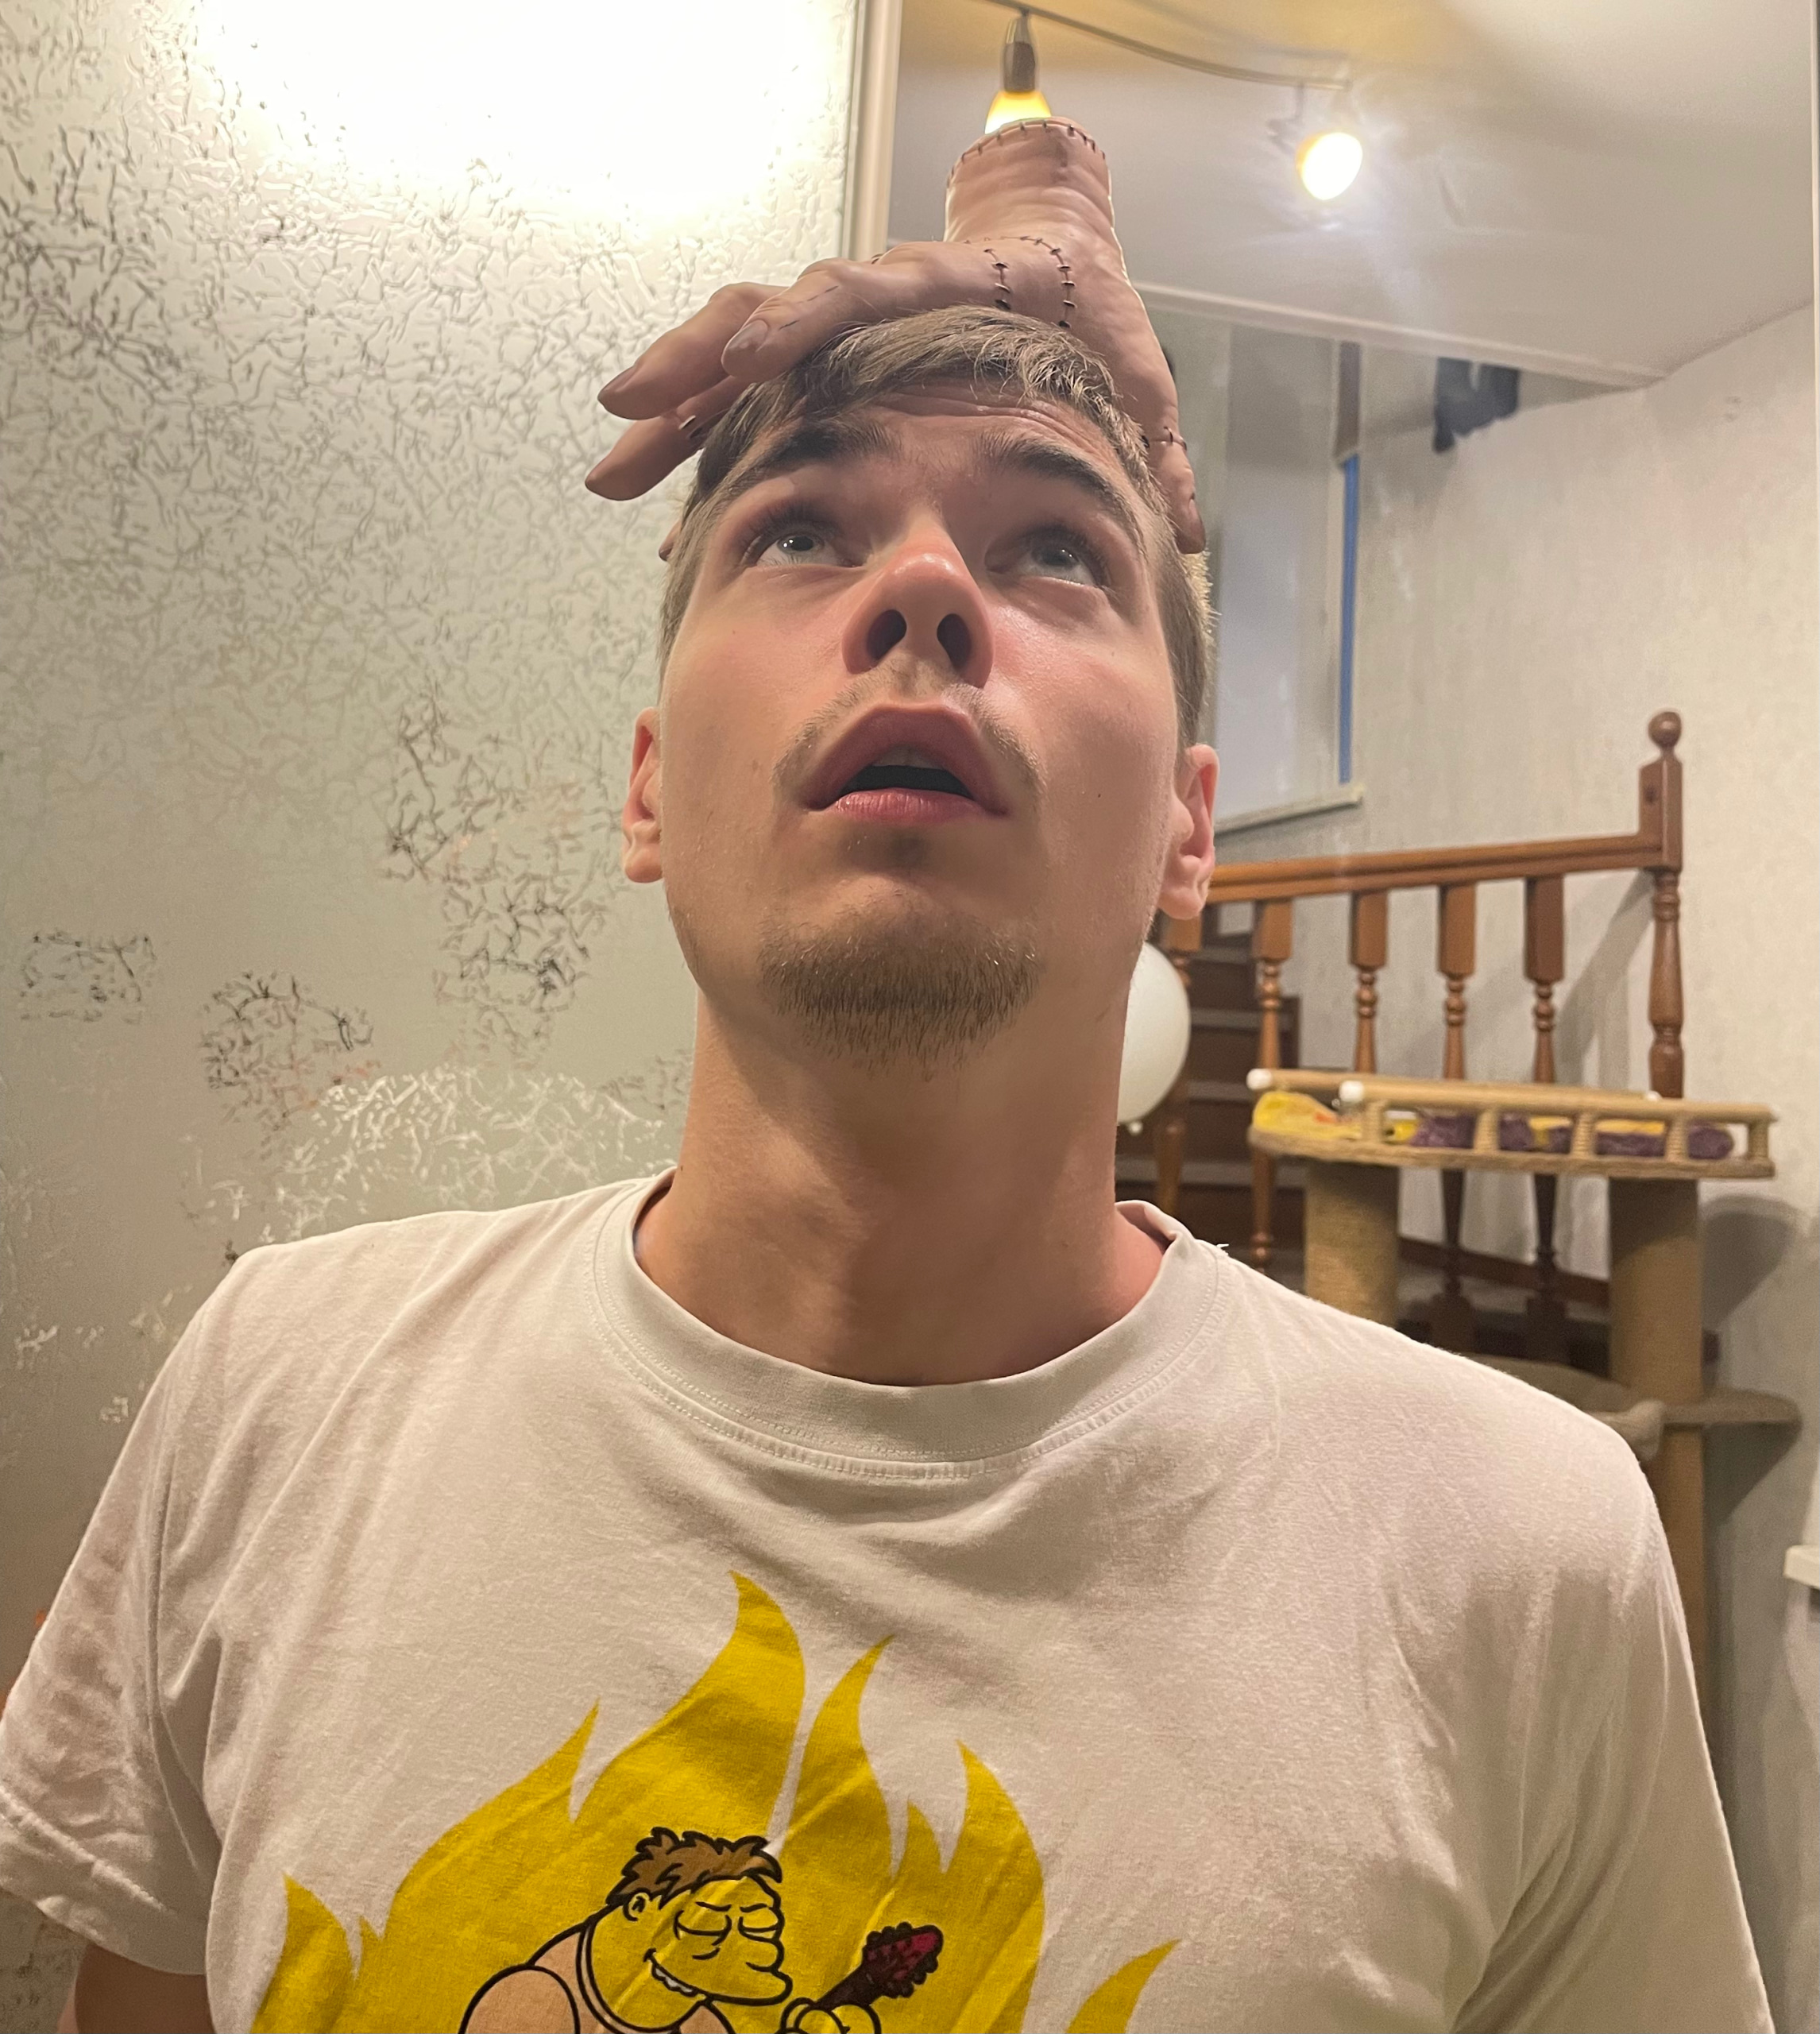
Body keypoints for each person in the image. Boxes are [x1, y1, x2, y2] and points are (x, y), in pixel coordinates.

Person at [0, 133, 1772, 2034]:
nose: (925, 585)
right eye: (800, 530)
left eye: (1057, 549)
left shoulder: (1523, 1551)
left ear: (1189, 832)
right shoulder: (275, 1398)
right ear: (650, 788)